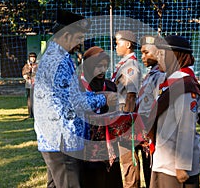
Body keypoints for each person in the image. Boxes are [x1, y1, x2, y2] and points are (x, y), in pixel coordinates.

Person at [33, 10, 117, 188]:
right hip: (64, 140)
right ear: (66, 35)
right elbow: (76, 103)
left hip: (53, 138)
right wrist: (104, 99)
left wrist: (97, 96)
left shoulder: (52, 56)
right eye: (79, 37)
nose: (81, 43)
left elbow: (71, 97)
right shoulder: (60, 60)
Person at [149, 35, 200, 188]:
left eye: (162, 54)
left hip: (175, 166)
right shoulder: (170, 81)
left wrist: (181, 166)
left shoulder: (185, 86)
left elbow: (186, 128)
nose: (158, 59)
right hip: (164, 157)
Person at [79, 46, 123, 188]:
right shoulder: (79, 86)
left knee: (111, 178)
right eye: (98, 66)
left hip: (109, 143)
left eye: (105, 66)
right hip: (86, 145)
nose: (102, 70)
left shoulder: (110, 86)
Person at [112, 30, 142, 188]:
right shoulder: (124, 64)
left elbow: (131, 96)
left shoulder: (130, 66)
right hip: (119, 113)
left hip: (125, 113)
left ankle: (132, 185)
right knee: (124, 159)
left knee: (128, 159)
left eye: (118, 42)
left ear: (128, 44)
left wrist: (126, 126)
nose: (115, 46)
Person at [136, 35, 165, 188]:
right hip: (144, 132)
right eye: (141, 53)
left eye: (146, 52)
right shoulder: (151, 74)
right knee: (148, 172)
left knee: (154, 175)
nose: (143, 57)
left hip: (153, 135)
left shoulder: (161, 76)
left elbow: (158, 106)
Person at [22, 52, 38, 118]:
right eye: (31, 57)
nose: (33, 59)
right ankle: (30, 113)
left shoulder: (37, 65)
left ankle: (35, 112)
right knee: (30, 99)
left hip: (36, 84)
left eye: (34, 57)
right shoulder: (27, 66)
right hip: (29, 84)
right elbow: (24, 74)